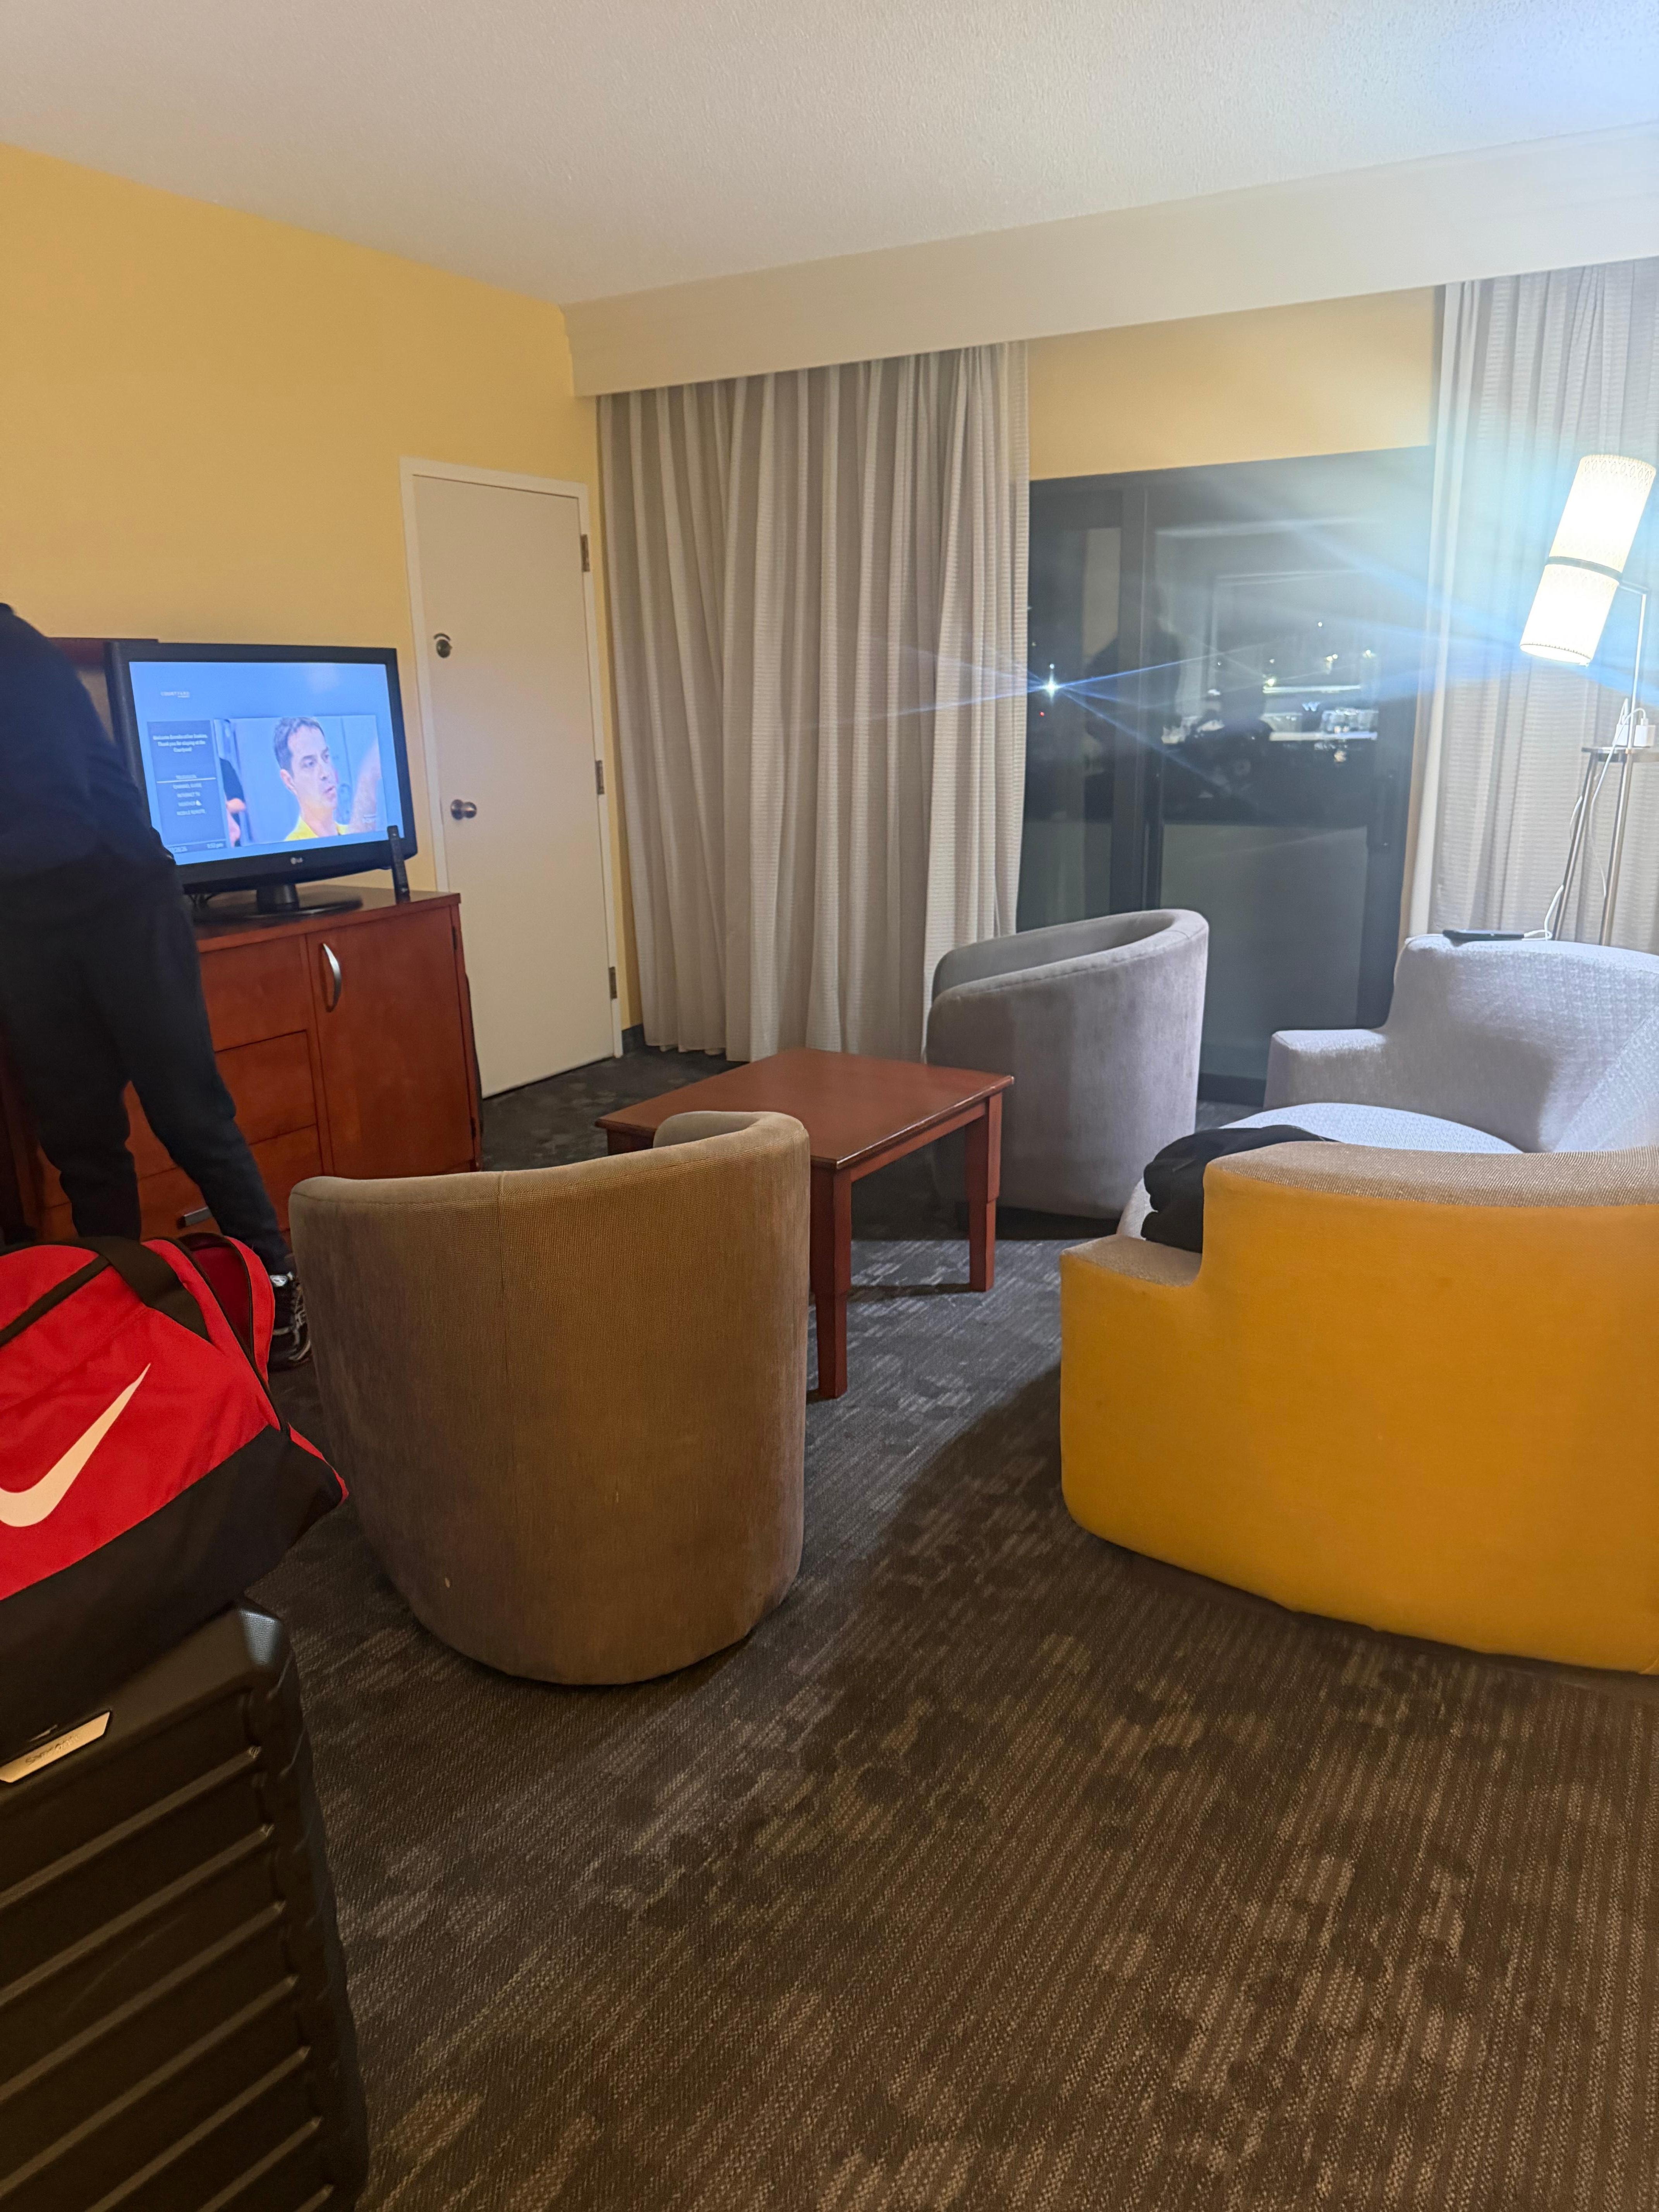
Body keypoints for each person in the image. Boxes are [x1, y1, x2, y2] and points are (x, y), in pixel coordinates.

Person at [0, 605, 309, 1365]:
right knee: (80, 1143)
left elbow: (62, 827)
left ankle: (277, 1290)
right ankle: (123, 1309)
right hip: (27, 930)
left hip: (125, 911)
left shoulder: (19, 661)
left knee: (190, 1116)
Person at [275, 716, 381, 842]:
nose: (325, 773)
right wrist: (368, 779)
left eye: (326, 757)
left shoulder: (351, 833)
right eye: (310, 764)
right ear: (289, 781)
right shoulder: (293, 847)